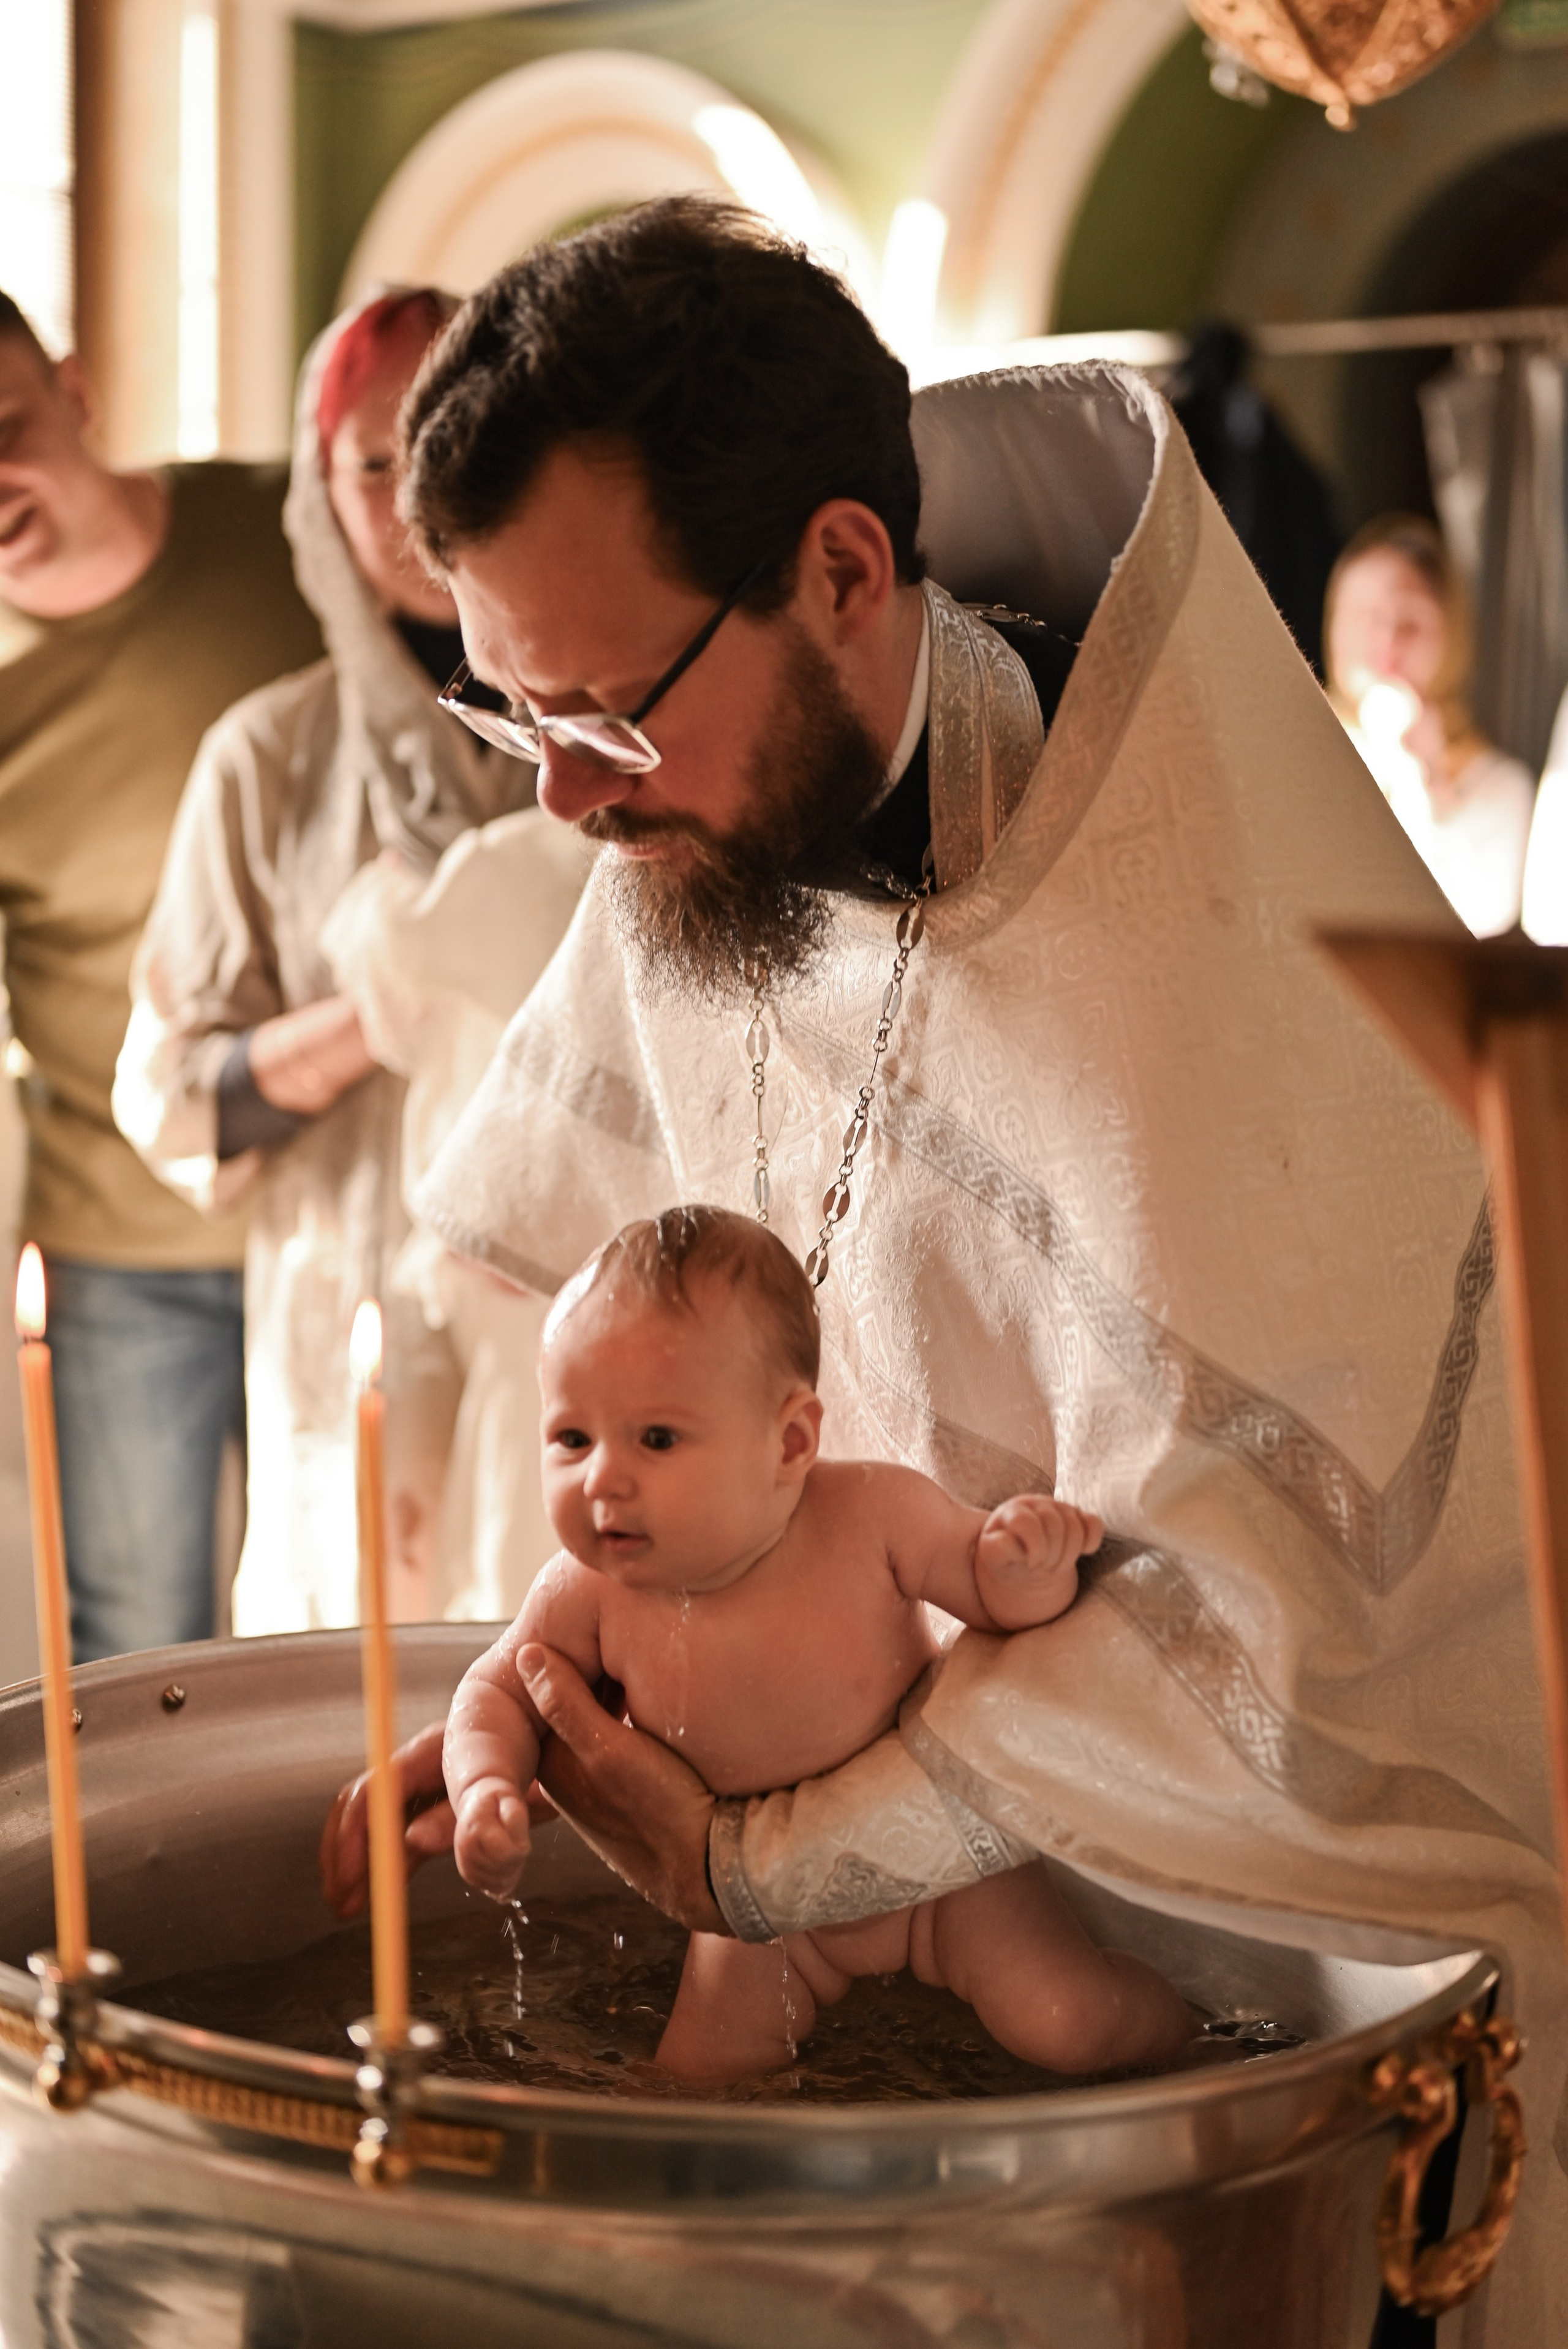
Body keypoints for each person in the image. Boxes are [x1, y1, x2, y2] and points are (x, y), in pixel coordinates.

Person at [323, 201, 1562, 2334]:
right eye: (505, 710)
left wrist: (759, 1861)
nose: (566, 804)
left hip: (1242, 1975)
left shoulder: (1212, 969)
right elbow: (587, 1316)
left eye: (602, 712)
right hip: (832, 1934)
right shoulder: (688, 826)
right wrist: (553, 1665)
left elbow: (1262, 1646)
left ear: (840, 570)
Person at [445, 1205, 1183, 2081]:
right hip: (763, 1917)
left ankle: (1198, 2043)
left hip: (938, 1873)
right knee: (693, 2087)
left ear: (790, 1440)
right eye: (572, 1436)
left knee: (1066, 2022)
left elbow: (996, 1605)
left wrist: (1024, 1561)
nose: (602, 1475)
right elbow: (494, 1691)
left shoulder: (872, 1515)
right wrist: (484, 1783)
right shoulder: (588, 1594)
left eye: (656, 1437)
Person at [114, 290, 534, 1633]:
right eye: (373, 462)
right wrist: (390, 1007)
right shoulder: (267, 762)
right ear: (318, 490)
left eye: (454, 432)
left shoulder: (612, 729)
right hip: (344, 1339)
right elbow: (176, 1093)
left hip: (584, 1366)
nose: (417, 496)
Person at [0, 290, 322, 1661]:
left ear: (72, 388)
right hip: (120, 1252)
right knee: (139, 1662)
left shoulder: (292, 528)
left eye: (3, 426)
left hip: (348, 1198)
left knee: (368, 1617)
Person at [1324, 513, 1535, 937]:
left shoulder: (1497, 787)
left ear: (1451, 635)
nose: (1386, 640)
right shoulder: (1290, 751)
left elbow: (1477, 915)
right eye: (1365, 615)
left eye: (1411, 622)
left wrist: (1428, 782)